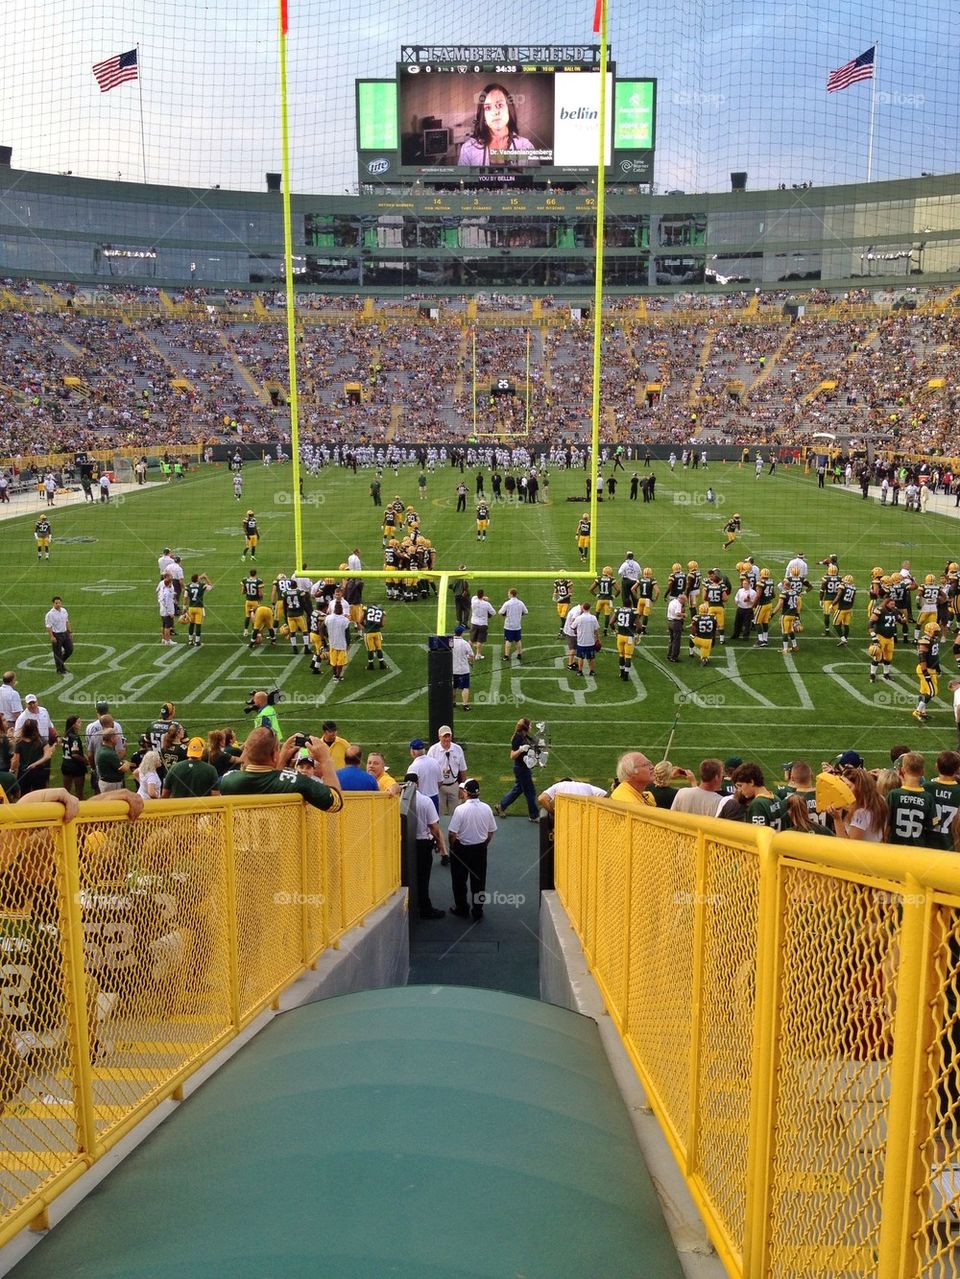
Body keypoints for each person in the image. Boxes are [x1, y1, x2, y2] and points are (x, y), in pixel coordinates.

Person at [219, 728, 342, 809]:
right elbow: (335, 802)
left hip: (239, 848)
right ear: (273, 755)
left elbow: (267, 781)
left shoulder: (228, 780)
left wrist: (281, 758)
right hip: (285, 847)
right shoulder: (297, 782)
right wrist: (326, 760)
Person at [447, 779, 498, 921]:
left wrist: (453, 846)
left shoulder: (460, 810)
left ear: (465, 792)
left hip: (461, 849)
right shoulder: (486, 808)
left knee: (459, 880)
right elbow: (491, 831)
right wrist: (484, 844)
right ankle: (477, 910)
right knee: (479, 881)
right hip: (480, 849)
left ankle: (462, 908)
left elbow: (452, 833)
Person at [457, 83, 536, 166]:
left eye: (500, 105)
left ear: (509, 109)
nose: (495, 112)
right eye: (488, 108)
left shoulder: (527, 147)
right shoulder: (468, 149)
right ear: (483, 116)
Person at [406, 774, 447, 920]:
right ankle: (424, 908)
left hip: (406, 843)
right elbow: (434, 827)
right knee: (423, 877)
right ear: (418, 783)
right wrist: (438, 843)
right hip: (423, 844)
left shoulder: (400, 800)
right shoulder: (425, 801)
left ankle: (409, 906)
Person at [886, 752, 938, 847]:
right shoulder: (928, 798)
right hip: (918, 850)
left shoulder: (893, 795)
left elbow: (886, 824)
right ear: (923, 771)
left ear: (903, 770)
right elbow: (933, 825)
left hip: (895, 849)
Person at [495, 718, 541, 821]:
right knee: (530, 792)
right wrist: (520, 750)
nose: (531, 727)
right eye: (529, 725)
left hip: (523, 767)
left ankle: (501, 806)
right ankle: (534, 815)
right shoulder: (518, 738)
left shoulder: (524, 736)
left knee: (518, 789)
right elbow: (512, 756)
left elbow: (533, 744)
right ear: (525, 727)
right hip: (521, 769)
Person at [728, 762, 786, 828]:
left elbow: (757, 834)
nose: (739, 790)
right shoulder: (776, 798)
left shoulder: (758, 804)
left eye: (740, 785)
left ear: (751, 782)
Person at [427, 727, 468, 816]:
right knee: (438, 814)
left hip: (454, 786)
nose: (447, 739)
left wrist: (462, 788)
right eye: (444, 737)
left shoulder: (458, 749)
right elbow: (429, 770)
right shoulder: (433, 750)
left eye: (448, 736)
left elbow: (463, 770)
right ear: (439, 737)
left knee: (456, 815)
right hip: (439, 787)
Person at [12, 720, 54, 796]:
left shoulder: (19, 742)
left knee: (24, 796)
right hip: (39, 772)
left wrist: (12, 770)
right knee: (39, 796)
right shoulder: (42, 740)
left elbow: (15, 760)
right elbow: (47, 756)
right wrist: (36, 764)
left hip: (24, 773)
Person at [537, 778, 607, 816]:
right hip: (586, 817)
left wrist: (554, 813)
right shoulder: (587, 786)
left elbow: (542, 799)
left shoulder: (558, 785)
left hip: (566, 817)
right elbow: (605, 796)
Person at [407, 740, 442, 814]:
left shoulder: (413, 767)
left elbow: (410, 788)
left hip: (420, 801)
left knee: (421, 824)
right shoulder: (435, 762)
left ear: (413, 752)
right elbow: (440, 781)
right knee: (434, 823)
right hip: (434, 797)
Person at [60, 715, 87, 799]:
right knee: (79, 793)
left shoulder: (65, 735)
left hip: (65, 765)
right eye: (78, 722)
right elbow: (75, 754)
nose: (81, 723)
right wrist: (85, 760)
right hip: (76, 767)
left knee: (66, 792)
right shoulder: (74, 737)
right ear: (73, 725)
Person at [95, 728, 130, 794]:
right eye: (116, 737)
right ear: (112, 739)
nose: (118, 738)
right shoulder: (109, 753)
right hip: (111, 785)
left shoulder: (102, 749)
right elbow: (124, 769)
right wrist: (127, 763)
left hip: (105, 782)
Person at [44, 596, 73, 675]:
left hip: (65, 633)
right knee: (58, 653)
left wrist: (70, 632)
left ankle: (61, 663)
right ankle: (60, 669)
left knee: (70, 649)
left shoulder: (64, 611)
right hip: (56, 634)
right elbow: (48, 626)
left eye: (59, 603)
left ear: (61, 602)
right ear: (53, 604)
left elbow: (67, 621)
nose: (58, 604)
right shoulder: (50, 614)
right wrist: (52, 636)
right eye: (56, 603)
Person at [184, 573, 214, 648]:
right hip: (199, 608)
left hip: (191, 608)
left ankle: (190, 640)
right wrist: (206, 578)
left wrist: (184, 608)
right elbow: (211, 587)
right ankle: (197, 641)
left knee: (191, 624)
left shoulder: (188, 586)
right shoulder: (201, 585)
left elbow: (185, 597)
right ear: (197, 579)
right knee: (198, 625)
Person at [498, 588, 528, 662]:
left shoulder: (507, 603)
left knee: (508, 640)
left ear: (511, 594)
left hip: (509, 625)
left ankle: (506, 655)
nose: (508, 594)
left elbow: (501, 612)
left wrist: (505, 614)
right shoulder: (520, 603)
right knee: (518, 640)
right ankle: (519, 654)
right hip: (517, 625)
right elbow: (526, 612)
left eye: (508, 593)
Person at [574, 601, 601, 678]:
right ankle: (592, 671)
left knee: (580, 658)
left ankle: (580, 671)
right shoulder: (593, 618)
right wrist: (598, 639)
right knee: (592, 658)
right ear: (589, 608)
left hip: (581, 642)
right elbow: (596, 630)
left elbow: (573, 627)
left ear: (583, 608)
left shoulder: (579, 618)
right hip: (591, 642)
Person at [452, 624, 474, 711]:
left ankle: (453, 703)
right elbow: (471, 655)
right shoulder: (465, 643)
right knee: (465, 687)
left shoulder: (450, 642)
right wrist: (471, 662)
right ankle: (465, 705)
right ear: (461, 633)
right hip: (463, 669)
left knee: (453, 687)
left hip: (453, 669)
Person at [469, 588, 496, 660]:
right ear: (483, 595)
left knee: (471, 640)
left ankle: (468, 653)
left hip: (474, 622)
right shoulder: (487, 604)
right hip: (483, 623)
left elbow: (475, 597)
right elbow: (493, 612)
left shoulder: (473, 600)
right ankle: (478, 654)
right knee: (480, 640)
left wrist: (484, 598)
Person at [666, 592, 686, 663]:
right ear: (681, 599)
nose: (684, 603)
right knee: (676, 641)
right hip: (676, 623)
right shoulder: (678, 604)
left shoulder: (672, 602)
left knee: (671, 639)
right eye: (684, 601)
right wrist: (683, 615)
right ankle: (673, 656)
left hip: (670, 621)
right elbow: (677, 613)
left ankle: (669, 654)